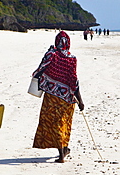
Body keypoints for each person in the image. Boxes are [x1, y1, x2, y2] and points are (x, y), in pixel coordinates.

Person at [32, 31, 84, 163]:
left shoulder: (51, 55)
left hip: (51, 96)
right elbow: (74, 80)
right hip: (67, 98)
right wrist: (80, 100)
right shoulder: (71, 58)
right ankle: (62, 152)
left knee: (52, 122)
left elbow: (39, 71)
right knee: (64, 123)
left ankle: (63, 150)